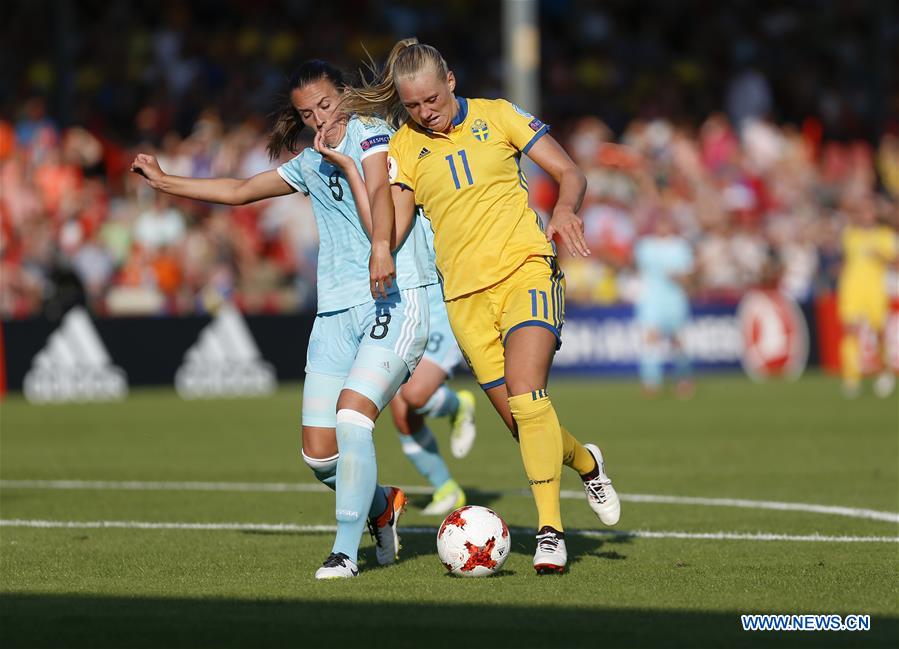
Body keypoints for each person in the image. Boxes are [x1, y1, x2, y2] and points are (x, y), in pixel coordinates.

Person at [131, 60, 438, 580]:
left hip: (395, 299)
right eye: (307, 113)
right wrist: (166, 184)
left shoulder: (371, 136)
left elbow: (378, 205)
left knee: (352, 419)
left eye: (325, 104)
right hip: (335, 311)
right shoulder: (311, 159)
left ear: (344, 94)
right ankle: (382, 505)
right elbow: (239, 190)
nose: (320, 119)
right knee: (320, 458)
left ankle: (344, 551)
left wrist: (380, 242)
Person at [344, 38, 621, 574]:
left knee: (526, 391)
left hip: (526, 269)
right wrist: (375, 225)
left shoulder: (498, 116)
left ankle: (549, 534)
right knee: (523, 421)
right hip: (465, 299)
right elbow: (395, 228)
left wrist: (564, 211)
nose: (426, 112)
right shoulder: (402, 148)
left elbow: (571, 173)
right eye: (413, 106)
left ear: (450, 80)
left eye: (431, 99)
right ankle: (588, 462)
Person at [837, 195, 897, 398]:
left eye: (869, 211)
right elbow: (846, 261)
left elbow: (896, 263)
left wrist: (880, 255)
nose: (865, 216)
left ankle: (885, 372)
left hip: (875, 290)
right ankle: (851, 378)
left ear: (875, 215)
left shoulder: (885, 235)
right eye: (862, 212)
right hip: (851, 289)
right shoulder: (851, 235)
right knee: (850, 331)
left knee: (879, 333)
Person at [633, 211, 696, 398]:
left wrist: (680, 277)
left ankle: (683, 378)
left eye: (666, 223)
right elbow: (638, 267)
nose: (663, 227)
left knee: (678, 341)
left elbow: (688, 276)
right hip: (652, 299)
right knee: (651, 339)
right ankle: (651, 381)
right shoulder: (645, 246)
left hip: (675, 298)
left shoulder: (680, 246)